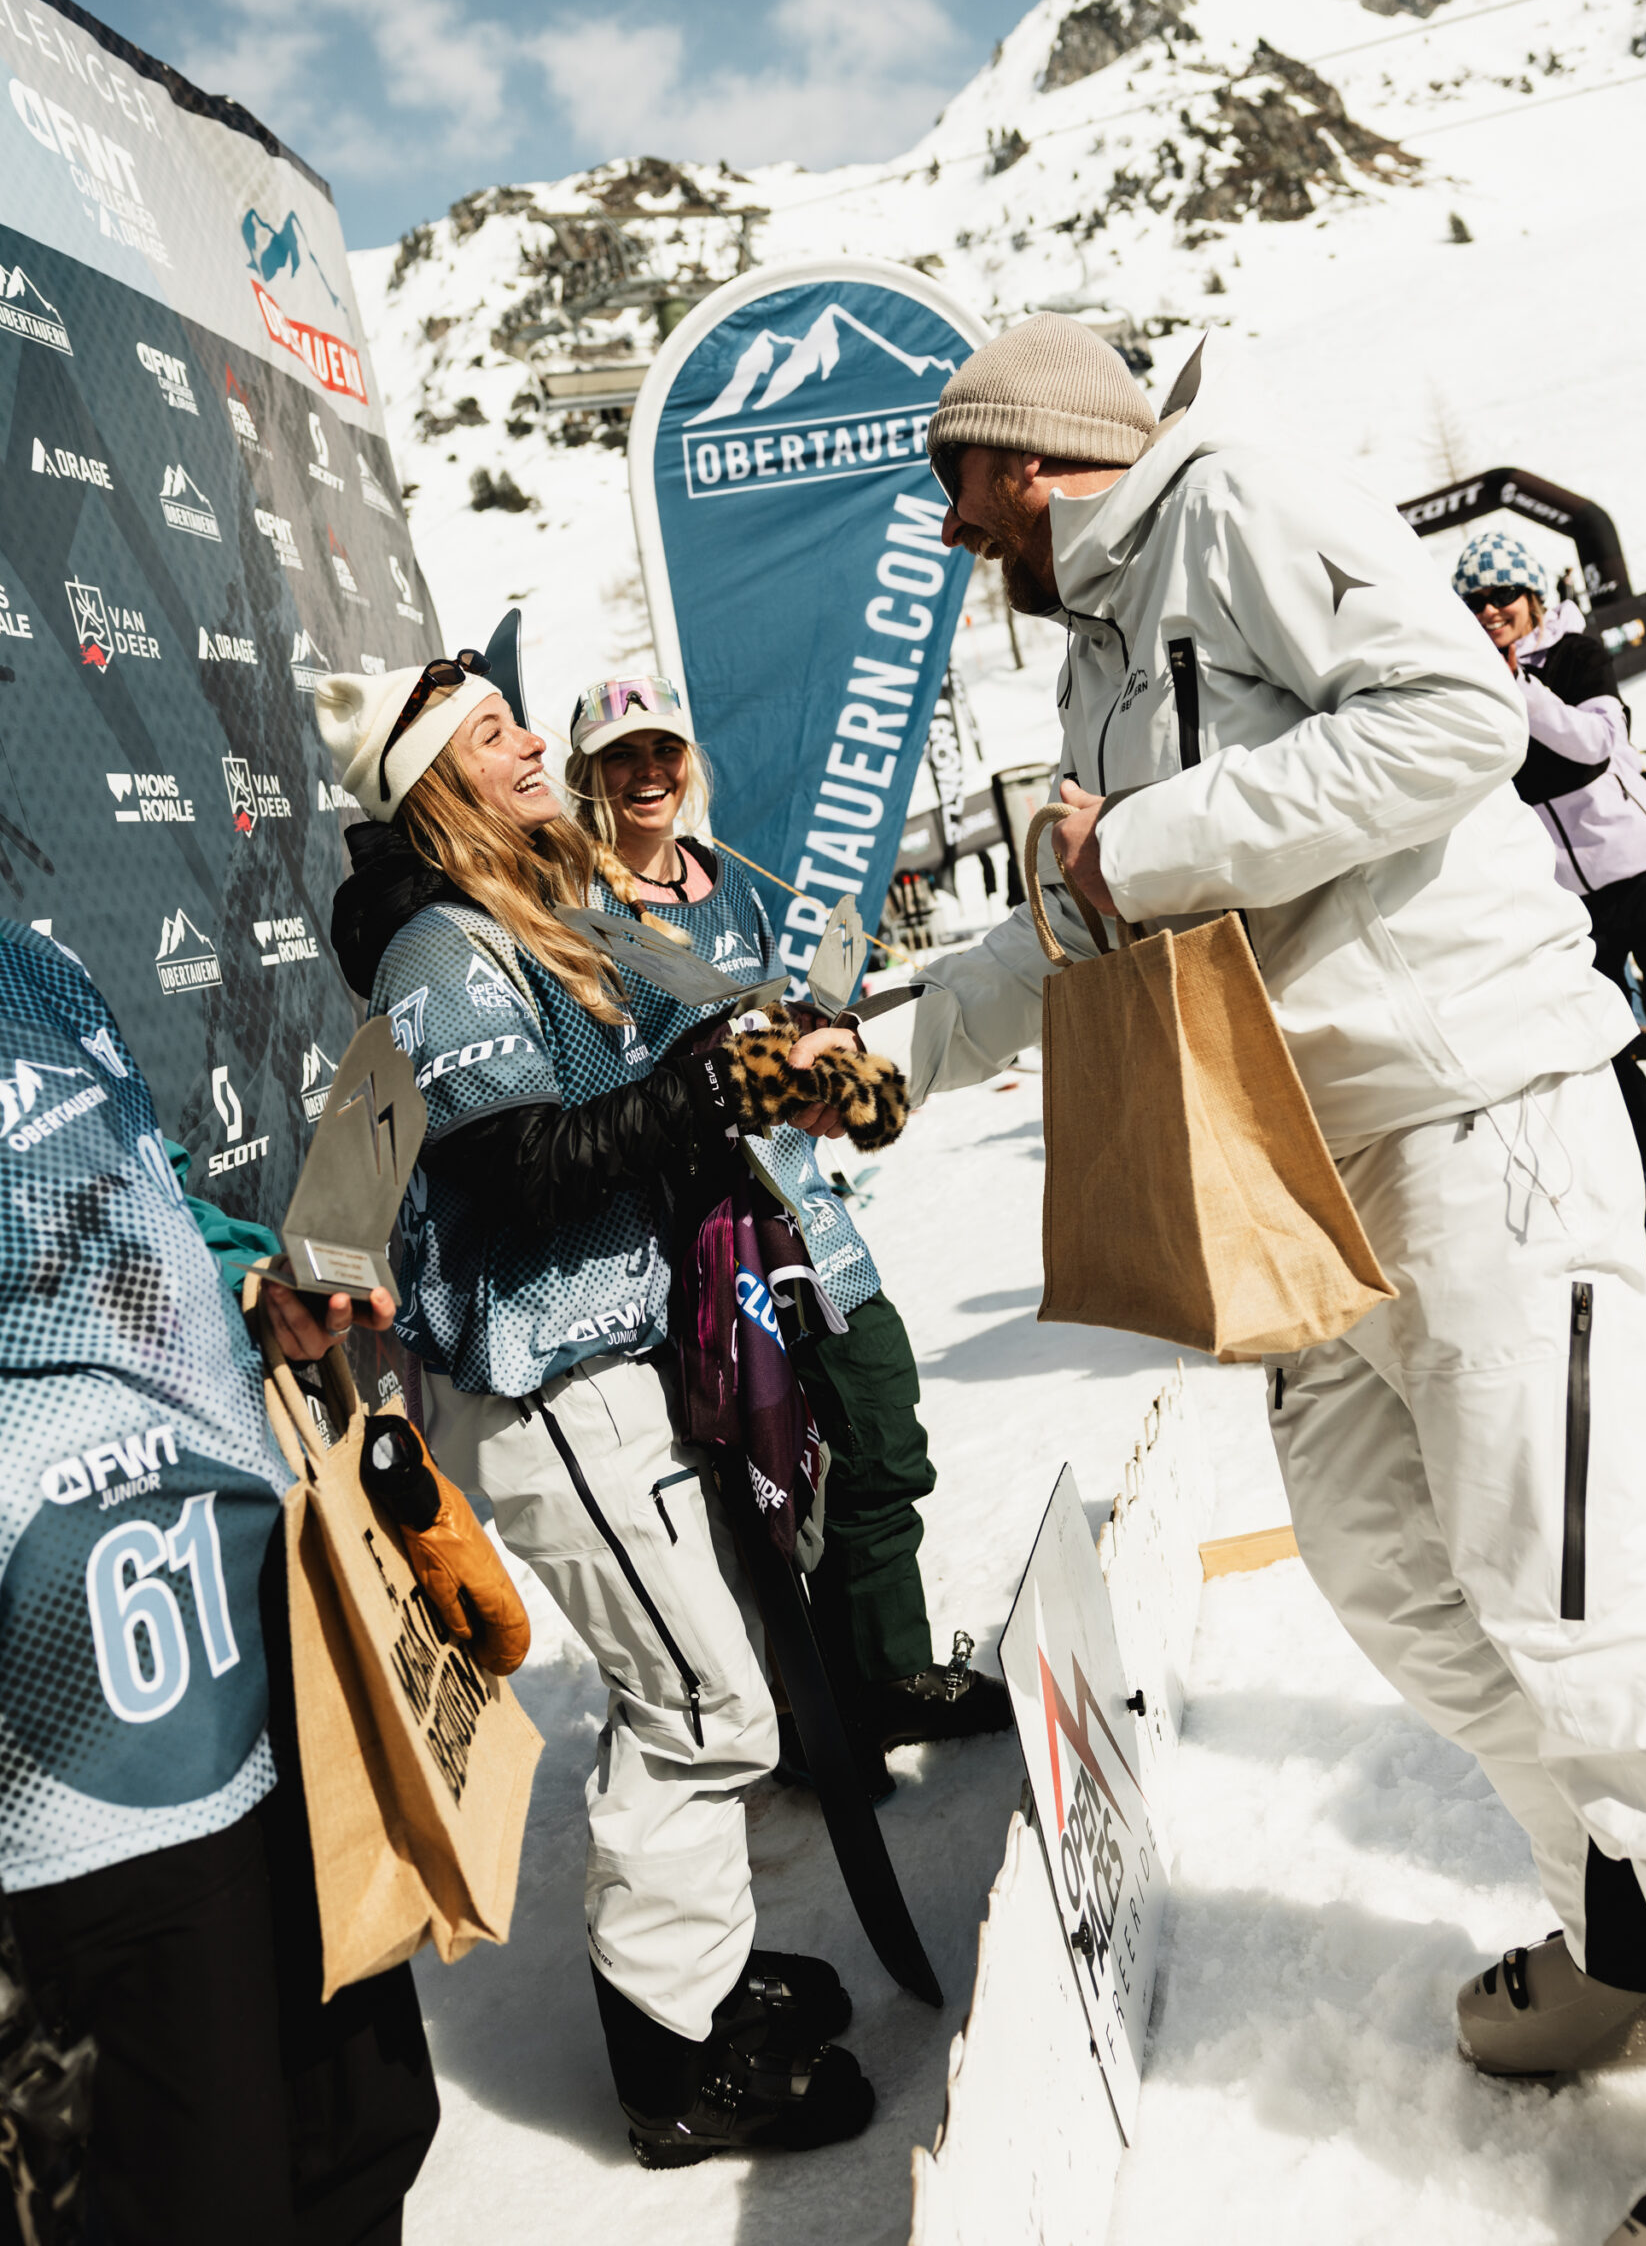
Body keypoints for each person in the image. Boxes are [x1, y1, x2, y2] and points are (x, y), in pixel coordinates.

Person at [873, 312, 1646, 2244]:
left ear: (1028, 456)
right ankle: (1632, 1943)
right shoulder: (1096, 654)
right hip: (1299, 1171)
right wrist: (877, 1053)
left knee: (1582, 1614)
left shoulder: (1233, 499)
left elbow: (1451, 719)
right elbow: (1082, 913)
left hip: (1476, 1120)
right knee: (1395, 1585)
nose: (952, 529)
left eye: (957, 483)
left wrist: (1146, 842)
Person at [317, 653, 876, 2168]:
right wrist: (711, 1092)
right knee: (699, 1709)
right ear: (436, 784)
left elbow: (669, 1042)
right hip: (548, 1382)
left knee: (709, 1686)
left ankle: (704, 1974)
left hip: (619, 1359)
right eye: (492, 734)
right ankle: (673, 2064)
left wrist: (771, 1053)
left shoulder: (533, 905)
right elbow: (518, 1168)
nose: (527, 746)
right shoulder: (440, 946)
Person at [0, 921, 439, 2246]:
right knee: (199, 2196)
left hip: (262, 1648)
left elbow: (150, 1208)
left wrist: (258, 1286)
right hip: (80, 1760)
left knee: (361, 2131)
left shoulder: (35, 967)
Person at [562, 672, 1013, 1797]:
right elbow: (615, 1084)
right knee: (763, 1484)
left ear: (688, 760)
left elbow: (771, 1024)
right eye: (620, 757)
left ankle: (891, 1672)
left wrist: (825, 1058)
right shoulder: (578, 909)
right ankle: (810, 1712)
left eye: (661, 750)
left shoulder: (730, 880)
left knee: (879, 1429)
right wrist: (751, 1070)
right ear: (588, 776)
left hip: (809, 1215)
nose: (647, 773)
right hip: (709, 1240)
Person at [1451, 528, 1646, 1264]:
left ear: (1532, 596)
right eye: (1474, 600)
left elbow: (1595, 744)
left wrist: (1518, 688)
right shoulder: (1465, 677)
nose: (1489, 609)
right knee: (1603, 1041)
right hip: (1562, 891)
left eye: (1502, 594)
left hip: (1644, 862)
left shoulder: (1576, 653)